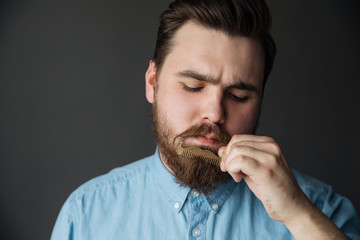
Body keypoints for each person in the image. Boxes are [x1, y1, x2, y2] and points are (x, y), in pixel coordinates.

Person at [51, 0, 360, 239]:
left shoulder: (322, 210)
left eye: (239, 95)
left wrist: (298, 215)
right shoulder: (86, 214)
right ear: (152, 83)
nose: (215, 113)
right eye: (193, 86)